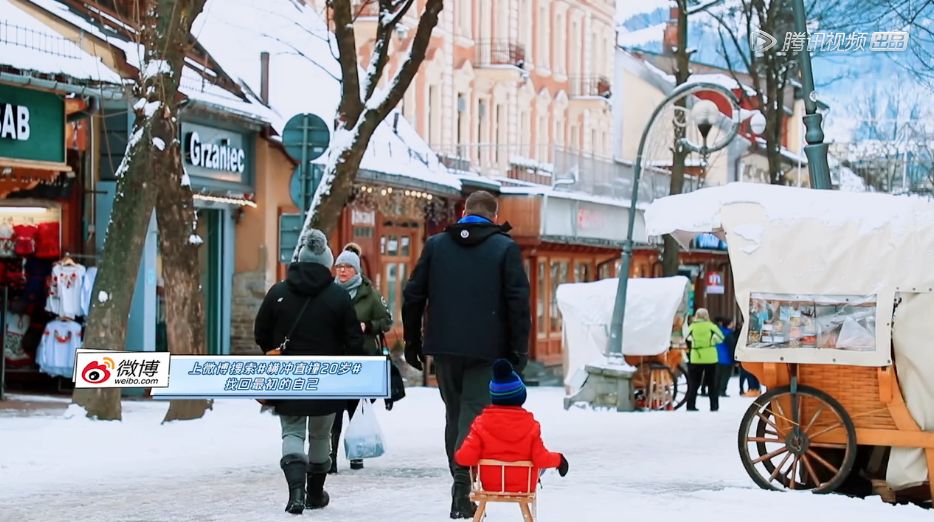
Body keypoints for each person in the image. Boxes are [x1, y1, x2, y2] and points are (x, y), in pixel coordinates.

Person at [402, 190, 531, 519]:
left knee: (455, 414)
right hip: (489, 349)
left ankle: (461, 482)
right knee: (473, 415)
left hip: (445, 347)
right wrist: (519, 350)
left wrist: (413, 342)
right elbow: (518, 304)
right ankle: (463, 485)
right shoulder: (504, 248)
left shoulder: (436, 246)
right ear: (494, 217)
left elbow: (413, 295)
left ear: (463, 213)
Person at [254, 229, 364, 515]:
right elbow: (354, 341)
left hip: (287, 377)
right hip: (328, 379)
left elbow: (260, 333)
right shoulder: (339, 297)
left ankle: (296, 493)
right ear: (327, 262)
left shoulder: (278, 292)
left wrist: (275, 352)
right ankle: (315, 493)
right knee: (320, 435)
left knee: (291, 431)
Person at [455, 359, 569, 492]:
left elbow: (464, 457)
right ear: (521, 397)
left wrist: (470, 460)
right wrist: (559, 460)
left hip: (491, 484)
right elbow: (541, 458)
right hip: (523, 485)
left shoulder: (480, 424)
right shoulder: (531, 426)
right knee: (537, 461)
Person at [329, 244, 393, 473]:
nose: (342, 270)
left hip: (362, 359)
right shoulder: (329, 292)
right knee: (334, 410)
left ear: (356, 270)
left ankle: (357, 453)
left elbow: (387, 320)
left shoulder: (369, 294)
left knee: (356, 408)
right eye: (339, 266)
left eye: (347, 267)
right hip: (336, 359)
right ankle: (330, 457)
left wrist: (369, 325)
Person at [685, 308, 724, 412]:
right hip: (710, 357)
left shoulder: (692, 326)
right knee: (712, 383)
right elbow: (721, 338)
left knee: (694, 383)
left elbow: (686, 337)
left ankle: (690, 405)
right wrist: (713, 340)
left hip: (696, 357)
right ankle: (714, 406)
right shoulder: (711, 326)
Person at [715, 318, 735, 398]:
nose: (733, 325)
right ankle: (722, 391)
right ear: (728, 325)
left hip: (717, 357)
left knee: (718, 375)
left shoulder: (718, 332)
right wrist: (734, 359)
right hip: (726, 358)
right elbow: (731, 347)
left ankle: (716, 390)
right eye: (732, 323)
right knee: (725, 376)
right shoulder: (728, 334)